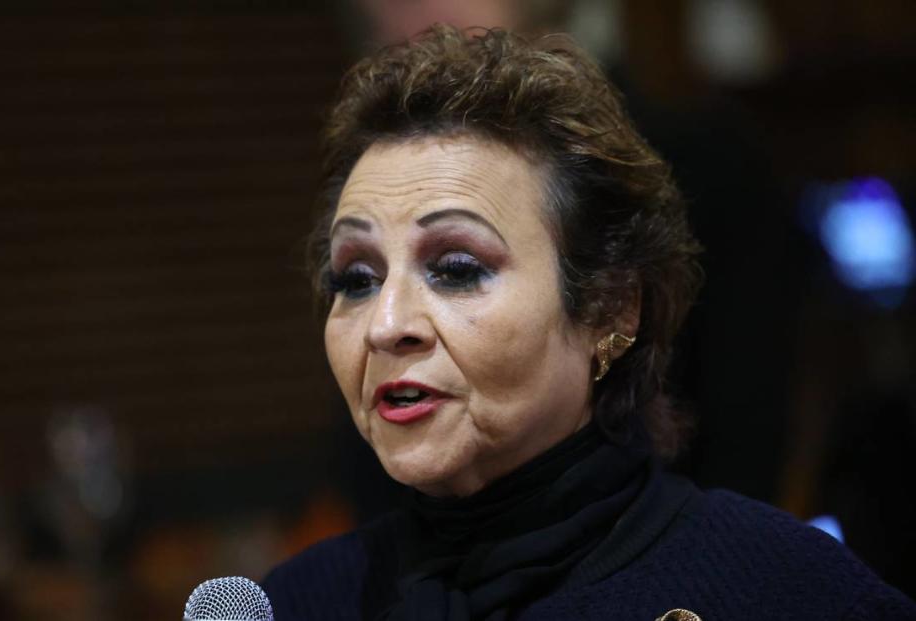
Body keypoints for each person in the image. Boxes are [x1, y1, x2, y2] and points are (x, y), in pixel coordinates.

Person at [261, 25, 915, 620]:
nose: (386, 322)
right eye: (355, 278)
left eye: (456, 268)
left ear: (609, 310)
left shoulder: (783, 592)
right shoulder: (295, 604)